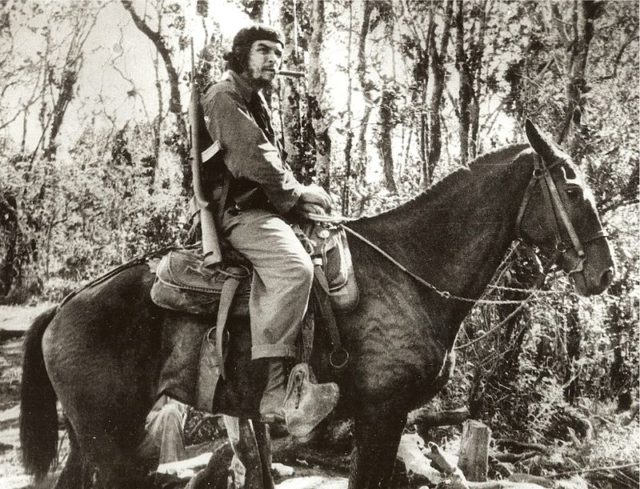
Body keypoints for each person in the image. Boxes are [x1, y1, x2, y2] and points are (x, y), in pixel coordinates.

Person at [201, 24, 334, 424]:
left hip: (264, 210)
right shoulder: (224, 96)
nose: (273, 59)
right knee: (295, 268)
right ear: (241, 53)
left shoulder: (251, 99)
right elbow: (253, 159)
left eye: (278, 53)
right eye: (263, 50)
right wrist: (299, 193)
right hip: (241, 215)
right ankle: (275, 394)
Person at [137, 394, 188, 466]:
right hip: (138, 440)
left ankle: (171, 469)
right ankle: (171, 469)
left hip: (162, 431)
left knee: (171, 412)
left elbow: (179, 406)